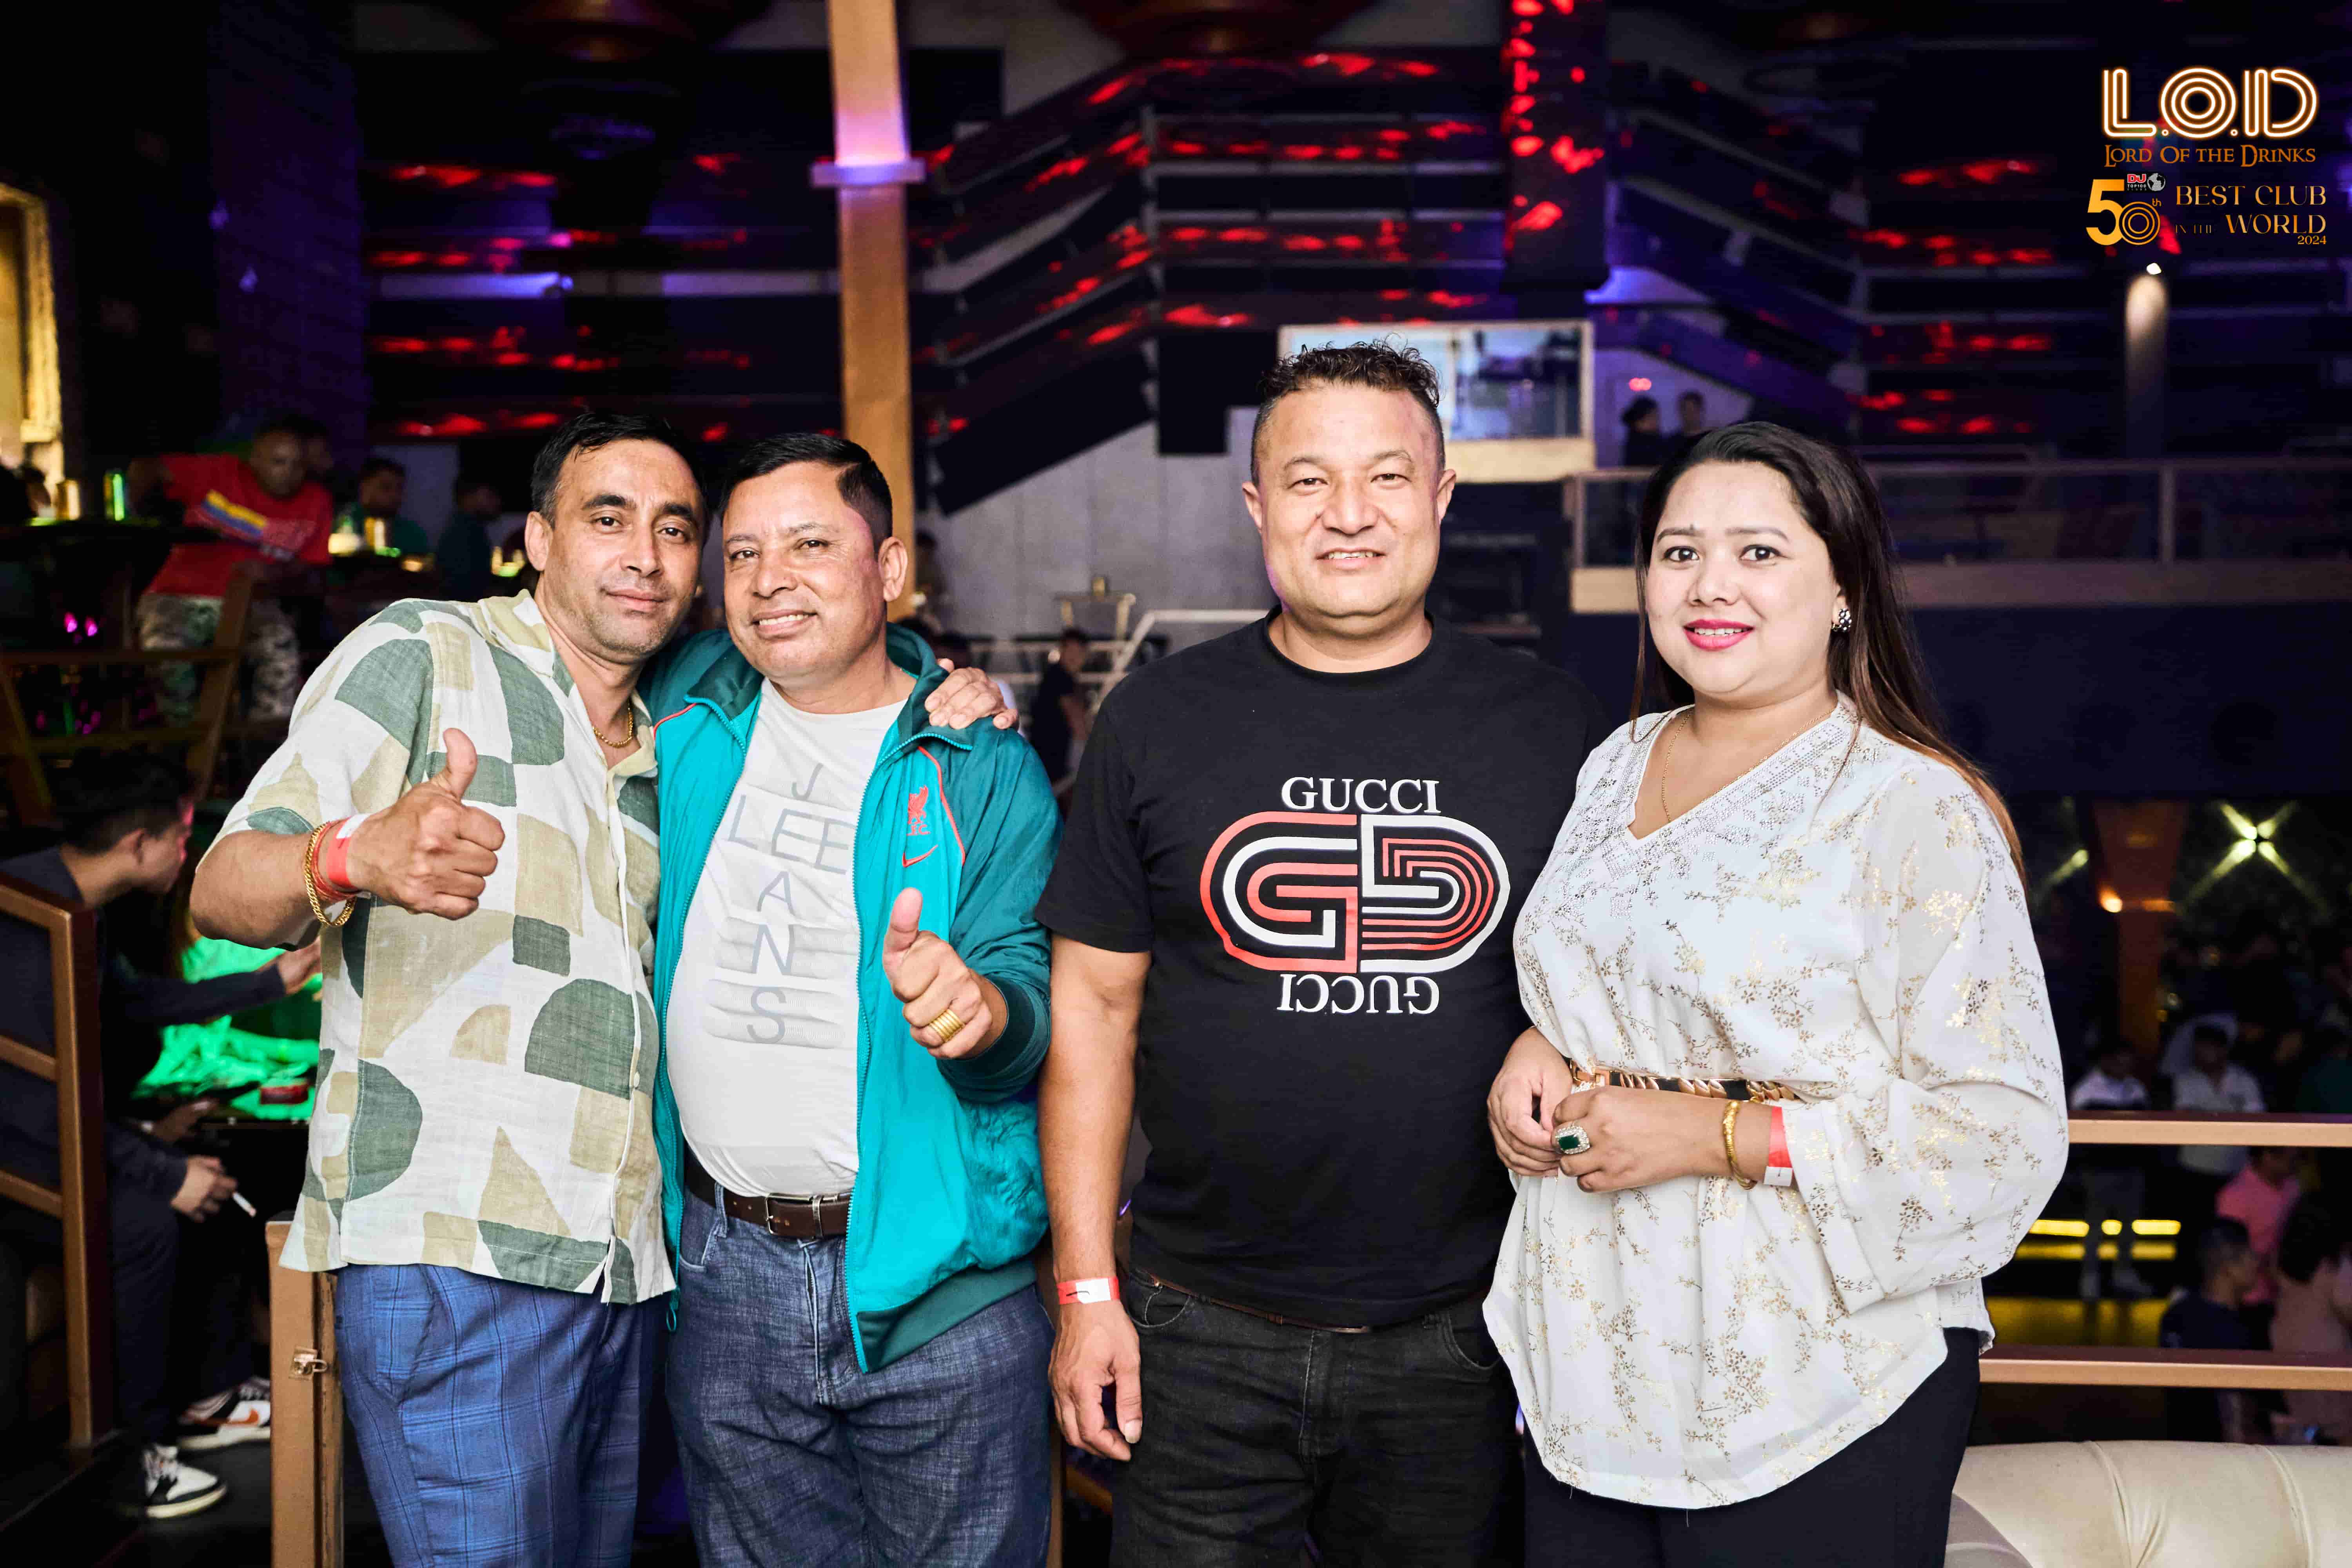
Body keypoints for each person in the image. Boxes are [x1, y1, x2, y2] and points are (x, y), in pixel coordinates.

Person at [1040, 341, 1606, 1564]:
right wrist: (1085, 1294)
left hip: (1460, 1333)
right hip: (1195, 1328)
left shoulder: (1556, 728)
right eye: (1308, 481)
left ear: (1441, 496)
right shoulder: (1156, 720)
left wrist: (1550, 1032)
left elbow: (1626, 982)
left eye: (1386, 477)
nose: (1348, 514)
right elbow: (1090, 1013)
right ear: (1257, 506)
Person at [1487, 421, 2067, 1565]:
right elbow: (1629, 964)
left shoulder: (1911, 807)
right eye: (1679, 551)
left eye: (1758, 551)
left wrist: (1713, 1134)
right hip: (1598, 1355)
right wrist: (1541, 1036)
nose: (1711, 585)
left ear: (1844, 589)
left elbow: (2000, 1135)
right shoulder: (1617, 761)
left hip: (1817, 1375)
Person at [644, 433, 1053, 1566]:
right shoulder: (687, 713)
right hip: (722, 1274)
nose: (770, 580)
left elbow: (1032, 997)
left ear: (890, 570)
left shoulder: (977, 760)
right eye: (741, 554)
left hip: (939, 1288)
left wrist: (982, 1015)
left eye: (811, 545)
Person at [0, 751, 316, 1517]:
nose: (188, 853)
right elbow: (38, 1108)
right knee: (149, 1217)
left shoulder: (76, 901)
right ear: (138, 844)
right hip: (18, 1155)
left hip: (50, 1131)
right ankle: (133, 1457)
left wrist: (268, 982)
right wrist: (160, 1170)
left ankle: (210, 1398)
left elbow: (135, 1003)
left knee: (208, 1183)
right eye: (181, 837)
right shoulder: (29, 926)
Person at [131, 417, 336, 726]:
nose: (289, 473)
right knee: (164, 654)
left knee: (281, 654)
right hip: (178, 597)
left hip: (253, 605)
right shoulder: (219, 472)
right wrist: (153, 513)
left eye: (298, 465)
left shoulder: (317, 501)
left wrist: (273, 574)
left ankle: (266, 748)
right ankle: (187, 743)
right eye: (279, 462)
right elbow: (146, 468)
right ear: (255, 460)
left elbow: (312, 568)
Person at [2159, 1219, 2263, 1443]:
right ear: (2229, 1267)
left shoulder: (2175, 1315)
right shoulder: (2230, 1330)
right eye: (2251, 1254)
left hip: (2178, 1449)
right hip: (2219, 1457)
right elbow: (2235, 1430)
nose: (2258, 1261)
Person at [2070, 1040, 2153, 1300]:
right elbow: (2084, 1134)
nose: (2125, 1067)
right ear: (2105, 1060)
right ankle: (2090, 1278)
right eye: (2120, 1061)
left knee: (2129, 1225)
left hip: (2132, 1168)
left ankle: (2123, 1274)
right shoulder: (2086, 1090)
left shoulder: (2136, 1088)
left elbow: (2144, 1128)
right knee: (2096, 1225)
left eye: (2129, 1062)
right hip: (2098, 1170)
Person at [2169, 1021, 2265, 1236]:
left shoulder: (2244, 1081)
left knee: (2233, 1232)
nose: (2201, 1054)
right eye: (2198, 1049)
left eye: (2207, 1048)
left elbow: (2256, 1122)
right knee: (2192, 1233)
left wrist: (2206, 1114)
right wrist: (2232, 1113)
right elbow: (2185, 1119)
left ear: (2223, 1050)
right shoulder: (2185, 1080)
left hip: (2236, 1168)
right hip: (2195, 1169)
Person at [2272, 1197, 2352, 1443]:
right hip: (2328, 1354)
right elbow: (2347, 1307)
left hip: (2285, 1349)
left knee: (2306, 1426)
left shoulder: (2282, 1263)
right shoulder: (2336, 1267)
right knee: (2342, 1432)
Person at [2218, 1144, 2302, 1332]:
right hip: (2249, 1301)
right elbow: (2228, 1253)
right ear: (2267, 1157)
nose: (2296, 1165)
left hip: (2287, 1298)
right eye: (2291, 1160)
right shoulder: (2235, 1196)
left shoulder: (2293, 1187)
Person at [1025, 626, 1090, 788]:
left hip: (1051, 752)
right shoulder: (1059, 677)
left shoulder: (1065, 678)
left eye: (1079, 653)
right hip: (1052, 753)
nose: (1074, 658)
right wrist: (1093, 750)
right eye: (1071, 652)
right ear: (1062, 651)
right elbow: (1076, 719)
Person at [333, 457, 433, 558]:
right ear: (364, 488)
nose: (395, 495)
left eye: (399, 489)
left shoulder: (412, 534)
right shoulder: (344, 525)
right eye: (386, 488)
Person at [437, 474, 509, 601]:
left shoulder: (469, 527)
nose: (497, 502)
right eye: (490, 496)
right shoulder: (464, 531)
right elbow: (464, 585)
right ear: (470, 496)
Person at [1620, 395, 1670, 466]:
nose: (1656, 421)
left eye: (1656, 416)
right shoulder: (1637, 447)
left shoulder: (1662, 442)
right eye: (1651, 417)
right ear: (1638, 422)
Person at [1668, 389, 1710, 461]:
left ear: (1701, 410)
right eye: (1685, 410)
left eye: (1693, 410)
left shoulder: (1710, 440)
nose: (1689, 414)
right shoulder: (1671, 442)